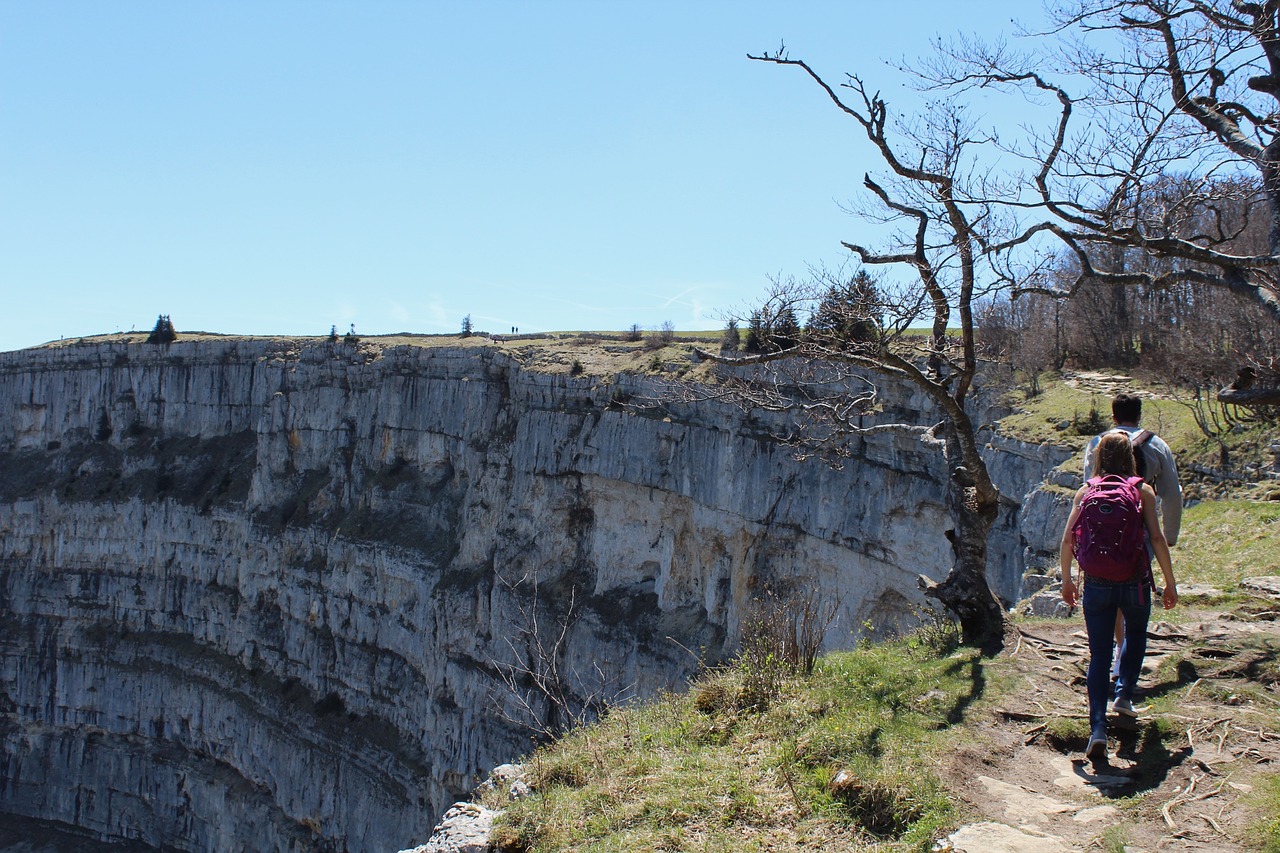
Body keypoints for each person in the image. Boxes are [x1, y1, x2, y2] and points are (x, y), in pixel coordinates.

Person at [1061, 432, 1178, 764]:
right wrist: (1169, 583)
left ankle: (1097, 730)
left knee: (1099, 654)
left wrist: (1067, 579)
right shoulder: (1143, 491)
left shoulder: (1086, 491)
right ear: (1130, 457)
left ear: (1098, 458)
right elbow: (1156, 537)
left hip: (1096, 583)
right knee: (1136, 634)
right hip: (1135, 581)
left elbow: (1068, 539)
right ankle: (1124, 695)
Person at [1084, 393, 1183, 680]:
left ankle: (1117, 649)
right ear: (1139, 416)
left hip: (1103, 530)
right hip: (1142, 528)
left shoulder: (1097, 443)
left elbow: (1088, 487)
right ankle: (1127, 656)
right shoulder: (1156, 444)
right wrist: (1170, 534)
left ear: (1113, 416)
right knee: (1134, 587)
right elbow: (1172, 492)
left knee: (1110, 582)